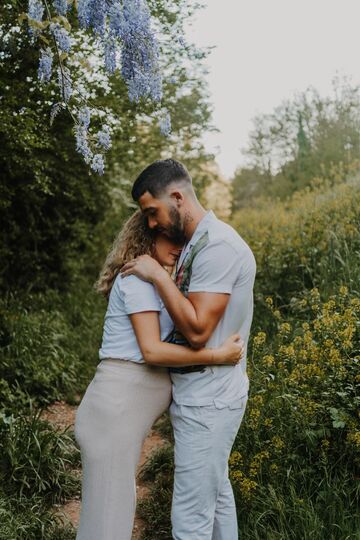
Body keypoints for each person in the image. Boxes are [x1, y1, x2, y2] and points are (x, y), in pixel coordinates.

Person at [74, 209, 244, 540]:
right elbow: (151, 351)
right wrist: (217, 356)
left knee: (112, 512)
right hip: (113, 410)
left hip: (118, 412)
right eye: (172, 236)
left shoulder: (155, 282)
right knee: (108, 522)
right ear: (149, 235)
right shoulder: (137, 279)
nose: (181, 245)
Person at [121, 158, 257, 540]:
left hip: (210, 400)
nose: (151, 224)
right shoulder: (196, 242)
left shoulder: (217, 247)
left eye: (153, 212)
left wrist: (154, 275)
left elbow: (197, 330)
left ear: (178, 197)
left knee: (189, 519)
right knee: (215, 497)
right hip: (203, 395)